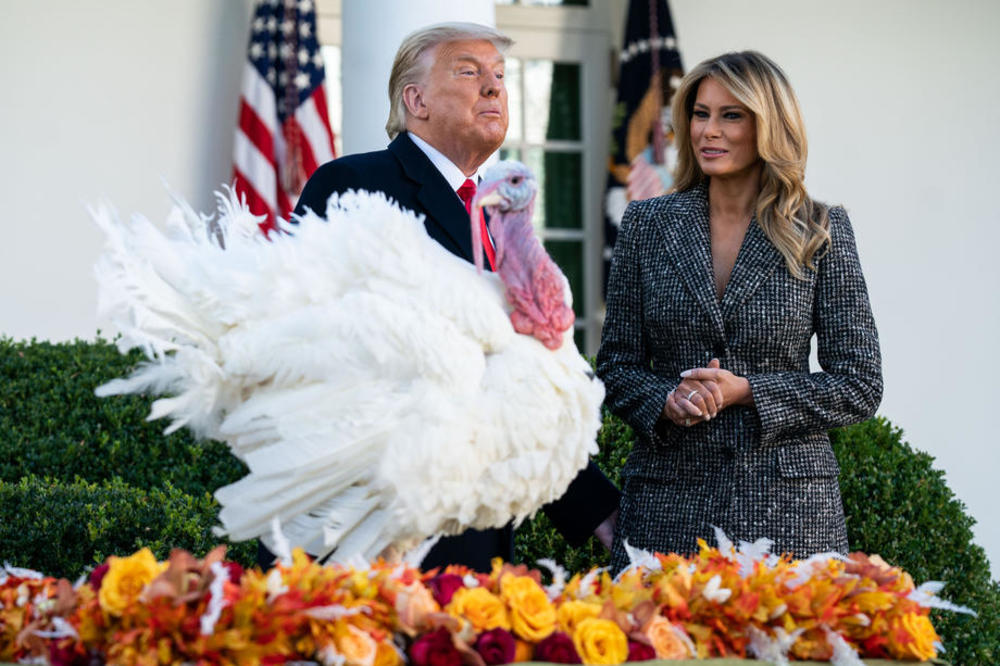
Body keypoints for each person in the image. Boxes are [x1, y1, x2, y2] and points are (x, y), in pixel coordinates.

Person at [289, 22, 620, 572]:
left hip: (475, 533)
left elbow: (517, 390)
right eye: (468, 72)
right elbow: (315, 352)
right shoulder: (352, 186)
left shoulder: (498, 213)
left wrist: (607, 520)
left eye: (498, 76)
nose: (492, 88)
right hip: (371, 526)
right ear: (414, 100)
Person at [596, 51, 882, 572]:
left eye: (732, 116)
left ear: (769, 124)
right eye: (700, 114)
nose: (709, 130)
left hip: (790, 512)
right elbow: (615, 366)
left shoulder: (821, 230)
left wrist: (747, 391)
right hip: (666, 508)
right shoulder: (646, 225)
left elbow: (859, 384)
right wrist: (666, 399)